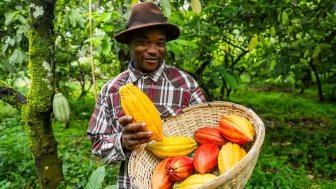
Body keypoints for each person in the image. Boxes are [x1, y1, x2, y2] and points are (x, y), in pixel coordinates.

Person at [87, 2, 206, 188]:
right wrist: (122, 141)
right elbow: (97, 145)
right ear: (130, 44)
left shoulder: (184, 84)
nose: (153, 50)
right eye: (143, 42)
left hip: (182, 181)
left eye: (160, 43)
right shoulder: (111, 89)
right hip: (131, 183)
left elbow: (206, 133)